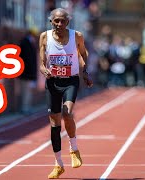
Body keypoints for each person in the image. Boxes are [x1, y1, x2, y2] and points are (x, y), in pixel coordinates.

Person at [39, 8, 93, 179]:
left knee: (67, 113)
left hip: (70, 81)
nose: (59, 24)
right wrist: (44, 70)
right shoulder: (44, 37)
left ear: (68, 22)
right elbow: (41, 63)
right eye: (56, 21)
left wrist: (85, 72)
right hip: (53, 83)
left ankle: (74, 148)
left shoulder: (76, 36)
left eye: (63, 21)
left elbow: (83, 53)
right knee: (54, 125)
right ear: (51, 22)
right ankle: (58, 164)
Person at [19, 28, 39, 114]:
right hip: (26, 73)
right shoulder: (25, 43)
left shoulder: (30, 43)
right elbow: (27, 60)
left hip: (29, 74)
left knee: (28, 92)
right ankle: (24, 108)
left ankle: (27, 107)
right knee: (25, 91)